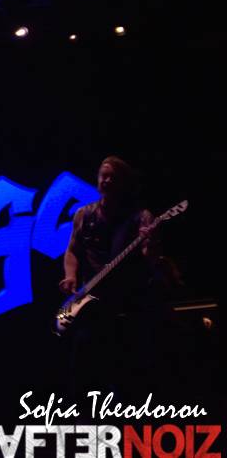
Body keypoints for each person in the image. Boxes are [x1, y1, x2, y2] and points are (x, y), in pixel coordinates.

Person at [58, 157, 179, 401]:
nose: (106, 180)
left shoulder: (140, 217)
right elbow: (72, 251)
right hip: (92, 301)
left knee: (127, 366)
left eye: (113, 177)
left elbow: (150, 258)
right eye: (103, 175)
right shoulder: (84, 214)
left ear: (124, 183)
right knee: (83, 360)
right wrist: (70, 276)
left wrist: (152, 241)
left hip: (128, 301)